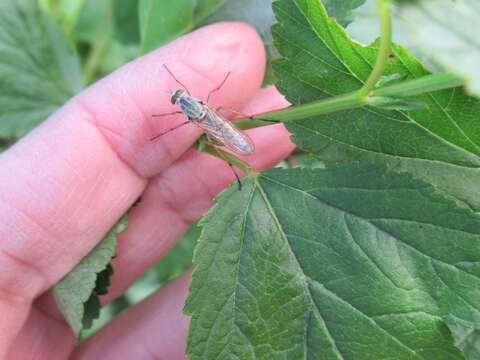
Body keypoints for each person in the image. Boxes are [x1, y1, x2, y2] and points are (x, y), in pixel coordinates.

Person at [0, 22, 293, 359]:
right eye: (179, 97)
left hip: (213, 120)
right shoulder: (191, 110)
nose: (181, 98)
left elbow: (200, 107)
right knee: (219, 127)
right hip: (213, 121)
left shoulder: (192, 110)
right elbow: (199, 108)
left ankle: (236, 155)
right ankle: (235, 158)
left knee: (220, 125)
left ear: (186, 98)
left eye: (181, 95)